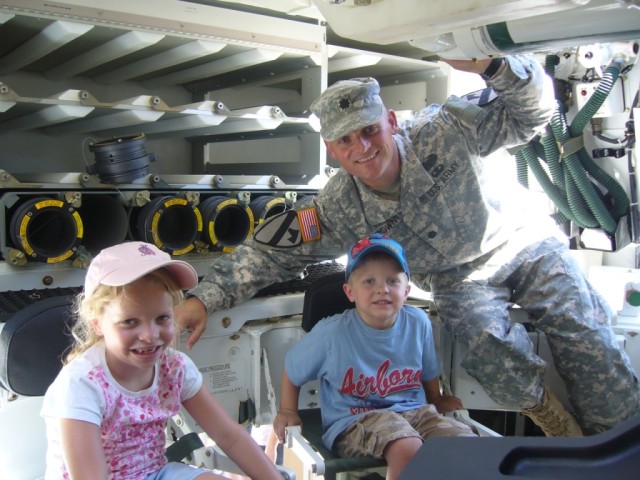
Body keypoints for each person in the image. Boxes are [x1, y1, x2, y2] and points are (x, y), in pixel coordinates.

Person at [176, 55, 640, 436]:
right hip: (458, 280)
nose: (362, 147)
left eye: (369, 130)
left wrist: (496, 66)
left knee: (585, 332)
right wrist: (203, 296)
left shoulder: (446, 129)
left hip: (524, 243)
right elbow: (270, 253)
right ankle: (558, 425)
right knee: (486, 349)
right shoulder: (338, 206)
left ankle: (621, 442)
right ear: (331, 150)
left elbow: (534, 113)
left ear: (391, 121)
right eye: (345, 140)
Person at [40, 241, 282, 480]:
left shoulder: (175, 368)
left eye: (162, 318)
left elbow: (230, 436)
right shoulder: (82, 384)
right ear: (97, 324)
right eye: (129, 321)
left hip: (155, 473)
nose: (150, 335)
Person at [273, 234, 477, 480]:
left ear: (406, 290)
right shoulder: (331, 333)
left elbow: (428, 370)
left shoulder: (418, 323)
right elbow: (293, 370)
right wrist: (287, 410)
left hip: (416, 413)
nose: (383, 288)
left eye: (392, 280)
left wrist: (436, 398)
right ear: (350, 292)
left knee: (466, 444)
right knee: (407, 446)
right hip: (354, 421)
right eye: (369, 281)